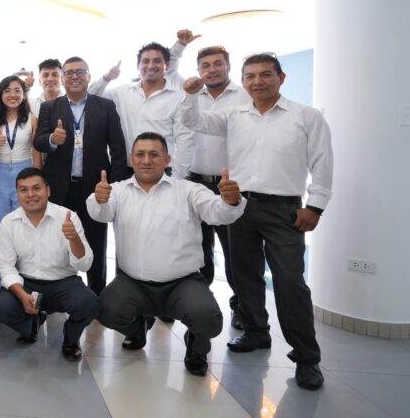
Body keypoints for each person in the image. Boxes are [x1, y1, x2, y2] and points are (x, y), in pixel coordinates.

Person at [180, 53, 333, 390]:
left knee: (290, 282)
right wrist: (190, 95)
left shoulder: (305, 116)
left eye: (265, 74)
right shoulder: (234, 114)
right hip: (239, 206)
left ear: (281, 77)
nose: (257, 81)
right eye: (250, 76)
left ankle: (307, 358)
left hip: (285, 210)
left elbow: (322, 162)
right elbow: (195, 122)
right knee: (244, 274)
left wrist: (316, 206)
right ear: (244, 81)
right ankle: (256, 332)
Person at [87, 133, 247, 376]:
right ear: (132, 158)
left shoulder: (187, 190)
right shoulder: (118, 191)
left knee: (208, 319)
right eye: (140, 154)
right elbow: (101, 212)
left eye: (154, 154)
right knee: (107, 309)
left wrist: (229, 201)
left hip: (182, 283)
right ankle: (138, 327)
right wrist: (99, 199)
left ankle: (196, 347)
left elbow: (218, 213)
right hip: (133, 283)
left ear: (167, 159)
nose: (146, 160)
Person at [33, 57, 128, 294]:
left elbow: (118, 149)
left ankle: (97, 294)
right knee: (57, 240)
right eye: (69, 73)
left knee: (95, 242)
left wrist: (115, 187)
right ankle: (60, 292)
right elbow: (39, 142)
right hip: (59, 187)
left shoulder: (105, 106)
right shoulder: (49, 107)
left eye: (80, 72)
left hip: (95, 188)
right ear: (63, 78)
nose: (74, 76)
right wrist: (52, 139)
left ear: (88, 76)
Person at [0, 168, 98, 361]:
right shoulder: (9, 222)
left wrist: (74, 238)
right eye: (23, 190)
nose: (30, 195)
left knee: (89, 304)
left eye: (36, 188)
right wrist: (22, 295)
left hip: (63, 283)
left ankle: (71, 340)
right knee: (0, 307)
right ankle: (31, 325)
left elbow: (85, 265)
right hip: (26, 283)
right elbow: (6, 266)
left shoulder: (67, 217)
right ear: (17, 194)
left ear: (48, 190)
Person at [185, 45, 250, 329]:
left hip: (231, 187)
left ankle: (242, 308)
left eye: (217, 64)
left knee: (237, 252)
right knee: (198, 250)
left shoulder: (245, 95)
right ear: (198, 70)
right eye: (205, 65)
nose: (211, 70)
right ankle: (202, 306)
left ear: (228, 66)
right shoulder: (190, 97)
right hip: (195, 182)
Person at [88, 31, 200, 179]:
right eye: (145, 61)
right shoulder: (122, 92)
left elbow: (185, 141)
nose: (150, 66)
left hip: (163, 174)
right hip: (125, 173)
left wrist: (177, 180)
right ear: (138, 66)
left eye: (157, 61)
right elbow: (89, 96)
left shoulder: (179, 97)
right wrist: (107, 78)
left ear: (167, 65)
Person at [0, 75, 42, 224]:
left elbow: (37, 154)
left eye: (17, 90)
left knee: (25, 218)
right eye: (7, 91)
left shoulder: (32, 119)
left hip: (25, 170)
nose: (12, 95)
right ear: (0, 95)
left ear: (24, 95)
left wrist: (38, 180)